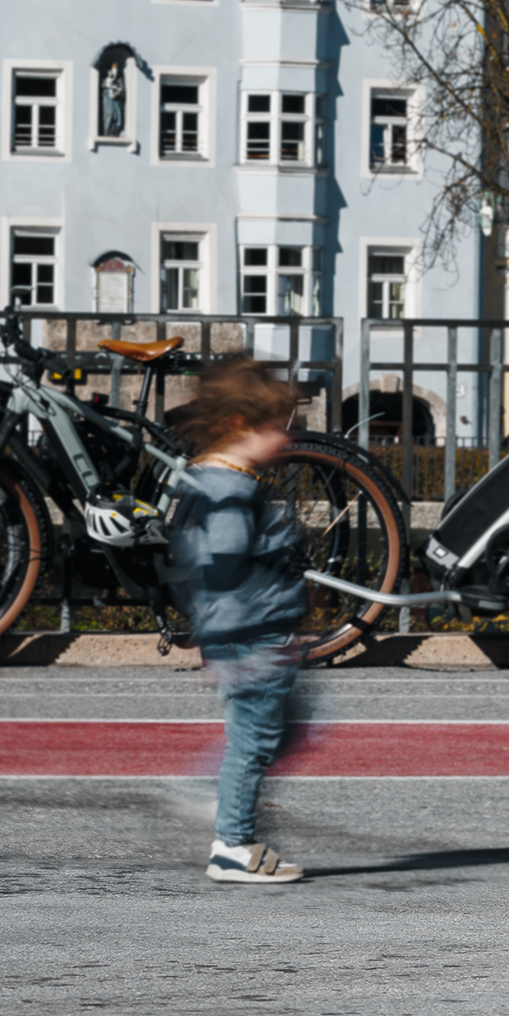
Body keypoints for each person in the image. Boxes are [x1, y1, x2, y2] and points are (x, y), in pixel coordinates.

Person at [165, 360, 313, 885]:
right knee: (252, 745)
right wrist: (242, 640)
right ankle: (232, 844)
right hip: (255, 639)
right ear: (237, 425)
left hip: (249, 637)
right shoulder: (230, 490)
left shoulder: (220, 481)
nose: (287, 437)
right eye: (276, 427)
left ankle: (223, 812)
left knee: (264, 736)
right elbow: (225, 574)